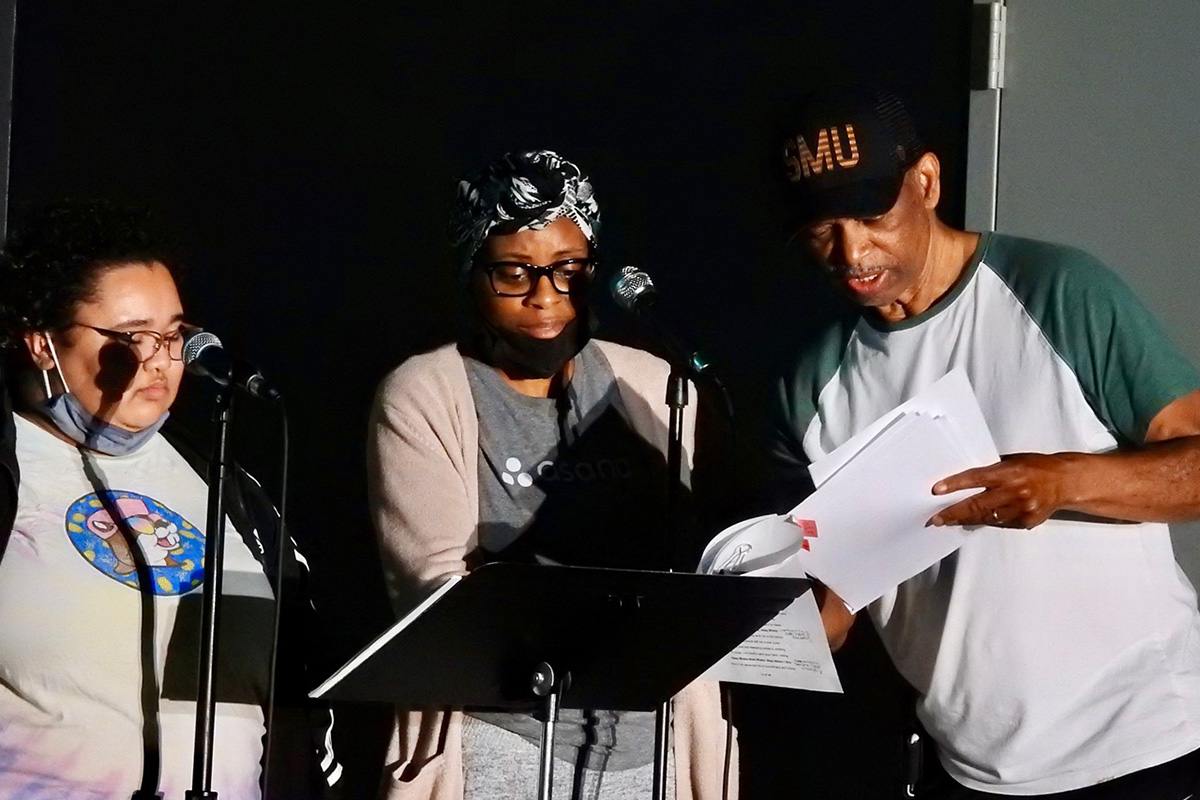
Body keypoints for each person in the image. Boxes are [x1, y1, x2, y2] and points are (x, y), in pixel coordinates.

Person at [769, 86, 1200, 799]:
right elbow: (835, 603)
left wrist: (1064, 481)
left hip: (1148, 748)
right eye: (822, 227)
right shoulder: (810, 383)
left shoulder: (1059, 292)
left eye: (872, 213)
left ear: (928, 182)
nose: (850, 250)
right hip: (968, 770)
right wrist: (774, 625)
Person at [367, 150, 737, 800]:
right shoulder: (422, 394)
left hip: (651, 750)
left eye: (569, 271)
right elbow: (436, 595)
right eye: (515, 272)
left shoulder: (655, 385)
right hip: (500, 742)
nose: (545, 297)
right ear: (473, 273)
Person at [0, 200, 311, 798]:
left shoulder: (219, 481)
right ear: (42, 342)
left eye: (171, 335)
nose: (159, 361)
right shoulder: (13, 467)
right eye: (132, 336)